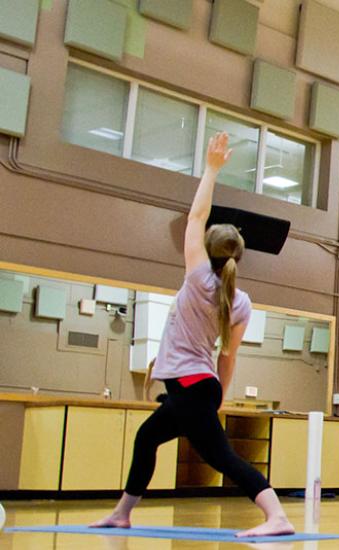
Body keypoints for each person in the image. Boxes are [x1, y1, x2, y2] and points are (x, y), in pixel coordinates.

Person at [91, 133, 294, 537]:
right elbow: (228, 356)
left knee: (220, 456)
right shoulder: (241, 300)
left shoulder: (198, 276)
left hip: (189, 386)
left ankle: (277, 517)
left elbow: (197, 215)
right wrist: (220, 396)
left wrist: (212, 168)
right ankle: (122, 513)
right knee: (148, 438)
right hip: (200, 386)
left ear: (206, 250)